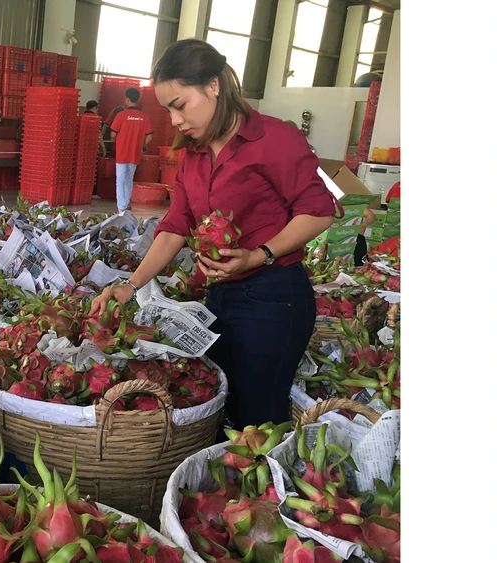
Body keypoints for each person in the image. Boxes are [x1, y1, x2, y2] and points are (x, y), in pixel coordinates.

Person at [91, 39, 339, 430]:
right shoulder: (193, 154)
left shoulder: (275, 139)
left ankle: (267, 487)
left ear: (213, 86)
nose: (174, 121)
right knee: (223, 405)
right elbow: (176, 225)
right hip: (220, 297)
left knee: (257, 418)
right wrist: (132, 284)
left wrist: (259, 255)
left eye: (179, 105)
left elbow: (319, 211)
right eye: (168, 110)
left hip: (273, 299)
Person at [109, 88, 154, 212]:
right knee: (129, 179)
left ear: (127, 99)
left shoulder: (121, 115)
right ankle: (126, 203)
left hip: (122, 154)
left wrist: (117, 139)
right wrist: (142, 146)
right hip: (135, 154)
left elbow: (113, 134)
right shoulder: (144, 117)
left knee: (120, 180)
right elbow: (150, 135)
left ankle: (121, 207)